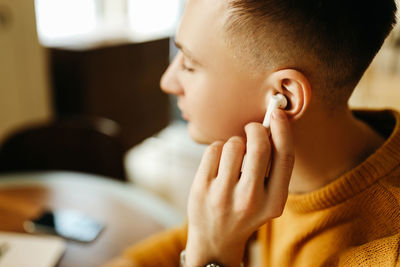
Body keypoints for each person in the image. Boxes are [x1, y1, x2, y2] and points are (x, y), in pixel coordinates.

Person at [105, 0, 399, 266]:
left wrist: (212, 257)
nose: (167, 82)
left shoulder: (385, 254)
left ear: (284, 96)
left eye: (190, 64)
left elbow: (210, 240)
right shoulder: (275, 170)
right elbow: (198, 235)